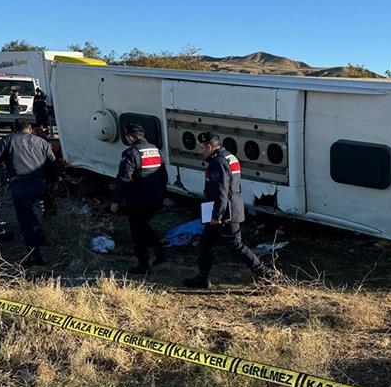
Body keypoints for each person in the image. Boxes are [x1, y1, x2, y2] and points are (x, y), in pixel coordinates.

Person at [183, 131, 279, 289]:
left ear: (209, 146)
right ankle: (202, 278)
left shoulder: (217, 162)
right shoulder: (228, 156)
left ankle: (266, 273)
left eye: (202, 148)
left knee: (236, 245)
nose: (201, 151)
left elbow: (222, 191)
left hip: (225, 212)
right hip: (225, 208)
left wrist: (216, 215)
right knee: (206, 244)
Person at [0, 118, 58, 266]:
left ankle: (35, 256)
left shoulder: (8, 140)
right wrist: (52, 181)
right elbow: (52, 163)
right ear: (30, 128)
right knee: (30, 211)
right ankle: (39, 235)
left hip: (19, 182)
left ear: (14, 128)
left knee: (24, 218)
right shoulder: (41, 142)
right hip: (40, 183)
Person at [110, 123, 168, 274]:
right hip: (155, 198)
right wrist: (162, 197)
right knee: (143, 226)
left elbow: (124, 178)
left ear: (130, 137)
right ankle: (159, 251)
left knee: (137, 232)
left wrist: (116, 200)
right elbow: (163, 176)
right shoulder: (155, 150)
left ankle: (144, 264)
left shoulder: (130, 153)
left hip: (138, 200)